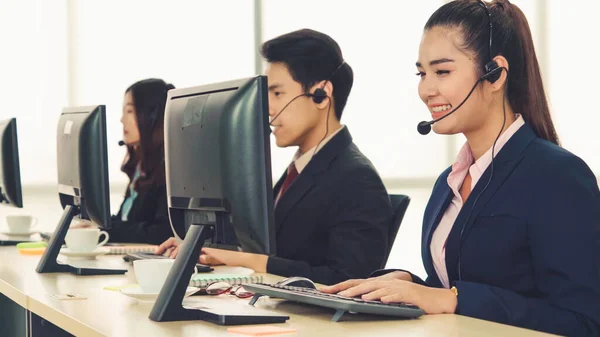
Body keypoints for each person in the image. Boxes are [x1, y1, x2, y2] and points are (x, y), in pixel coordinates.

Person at [322, 1, 600, 335]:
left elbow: (584, 322)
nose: (426, 90)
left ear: (494, 74)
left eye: (442, 71)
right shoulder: (448, 183)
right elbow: (462, 285)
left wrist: (452, 299)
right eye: (421, 73)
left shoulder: (557, 176)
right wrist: (410, 284)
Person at [156, 29, 394, 285]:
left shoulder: (356, 179)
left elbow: (349, 279)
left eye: (277, 93)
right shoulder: (300, 170)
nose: (266, 107)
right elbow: (282, 250)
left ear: (321, 95)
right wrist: (203, 247)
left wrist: (251, 261)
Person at [107, 78, 176, 245]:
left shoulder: (169, 168)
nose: (122, 120)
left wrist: (106, 230)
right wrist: (96, 226)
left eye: (130, 111)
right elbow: (128, 223)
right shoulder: (141, 166)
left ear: (152, 116)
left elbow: (161, 233)